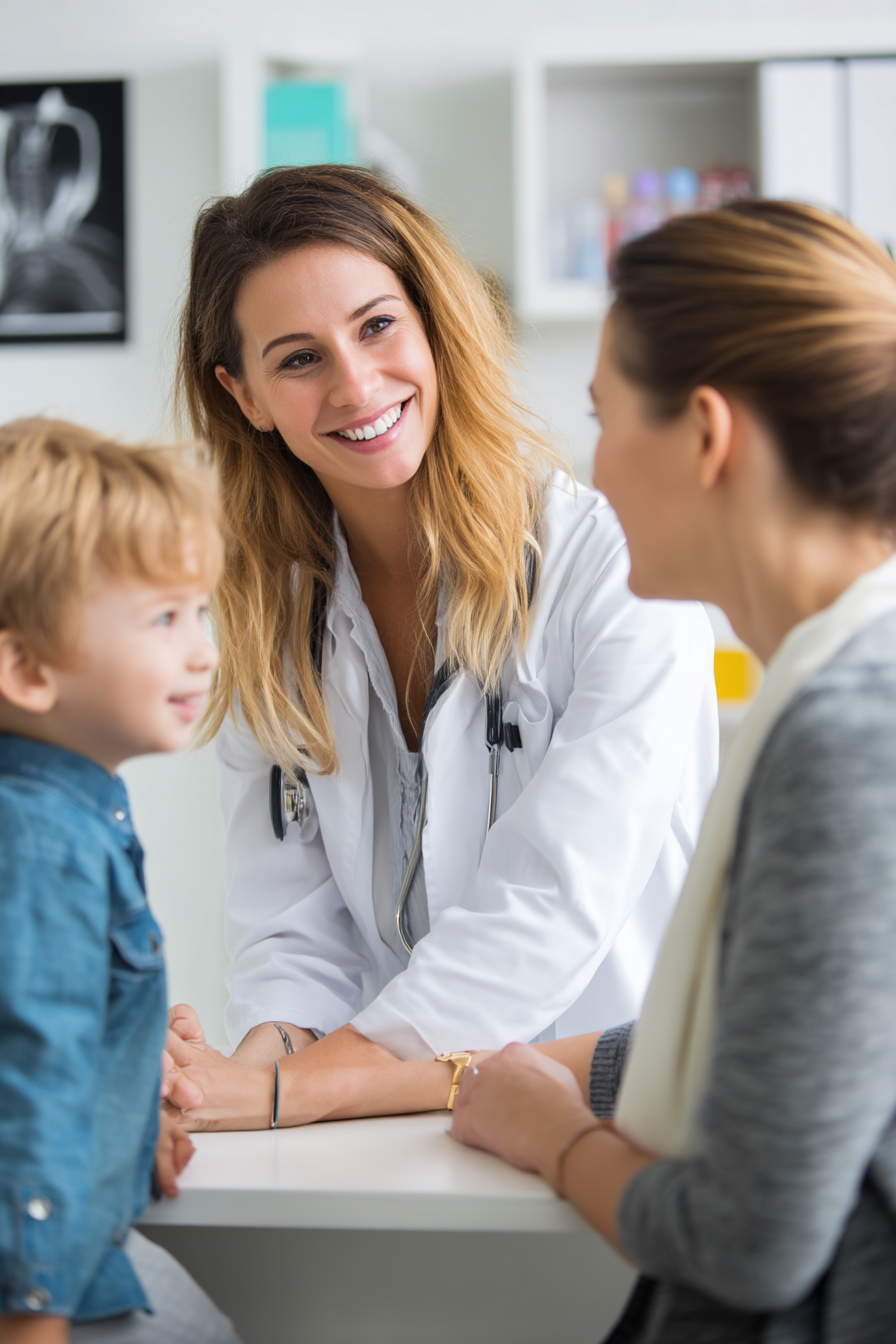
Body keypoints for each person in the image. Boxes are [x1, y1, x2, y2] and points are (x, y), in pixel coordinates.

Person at [162, 163, 718, 1131]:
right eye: (297, 359)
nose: (354, 383)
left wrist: (284, 1092)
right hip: (385, 1131)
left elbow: (549, 905)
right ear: (242, 393)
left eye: (377, 326)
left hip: (617, 1124)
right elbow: (292, 937)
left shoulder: (613, 565)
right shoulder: (266, 612)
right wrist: (226, 1076)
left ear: (432, 322)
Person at [449, 200, 896, 1344]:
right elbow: (791, 1034)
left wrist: (554, 1135)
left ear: (705, 434)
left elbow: (748, 1239)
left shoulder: (850, 733)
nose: (589, 468)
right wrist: (504, 1072)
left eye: (603, 417)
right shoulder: (843, 679)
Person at [0, 419, 240, 1343]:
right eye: (164, 619)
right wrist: (33, 1315)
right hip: (51, 1291)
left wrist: (129, 1123)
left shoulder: (69, 814)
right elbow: (30, 1084)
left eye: (201, 613)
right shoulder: (42, 844)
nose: (203, 652)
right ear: (27, 668)